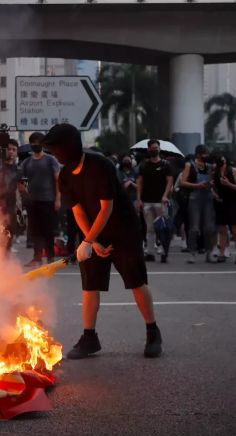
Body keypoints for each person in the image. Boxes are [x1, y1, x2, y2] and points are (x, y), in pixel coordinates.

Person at [44, 124, 161, 360]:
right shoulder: (65, 175)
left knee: (136, 281)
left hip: (123, 230)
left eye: (56, 149)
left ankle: (152, 332)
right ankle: (89, 337)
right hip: (94, 234)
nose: (54, 155)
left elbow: (107, 208)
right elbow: (78, 212)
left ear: (69, 148)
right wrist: (91, 242)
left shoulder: (100, 165)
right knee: (90, 285)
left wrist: (88, 240)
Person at [19, 137, 61, 267]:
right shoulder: (27, 162)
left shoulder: (50, 160)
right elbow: (23, 181)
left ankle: (50, 257)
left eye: (37, 142)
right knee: (35, 230)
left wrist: (58, 199)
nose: (35, 145)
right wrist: (24, 194)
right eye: (33, 143)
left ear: (42, 144)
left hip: (48, 200)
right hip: (32, 201)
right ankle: (37, 257)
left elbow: (57, 180)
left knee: (48, 230)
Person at [135, 140, 173, 263]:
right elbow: (139, 182)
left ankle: (163, 252)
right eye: (152, 148)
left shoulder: (165, 165)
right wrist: (139, 199)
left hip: (161, 202)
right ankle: (150, 252)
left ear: (159, 149)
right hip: (147, 201)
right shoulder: (144, 165)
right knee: (150, 228)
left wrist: (165, 195)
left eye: (156, 147)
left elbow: (170, 182)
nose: (154, 149)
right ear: (148, 149)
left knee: (162, 228)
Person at [179, 145, 216, 264]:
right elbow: (182, 182)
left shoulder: (209, 166)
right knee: (194, 228)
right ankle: (192, 253)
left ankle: (209, 252)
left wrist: (211, 182)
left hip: (208, 197)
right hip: (195, 198)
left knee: (209, 228)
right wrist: (197, 185)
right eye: (205, 154)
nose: (207, 156)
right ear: (199, 154)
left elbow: (213, 182)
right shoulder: (190, 165)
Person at [213, 154, 236, 264]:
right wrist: (215, 194)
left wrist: (228, 184)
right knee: (222, 230)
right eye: (219, 161)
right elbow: (214, 187)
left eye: (223, 161)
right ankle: (221, 254)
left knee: (235, 229)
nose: (221, 163)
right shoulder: (215, 172)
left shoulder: (233, 170)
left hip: (233, 203)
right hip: (221, 202)